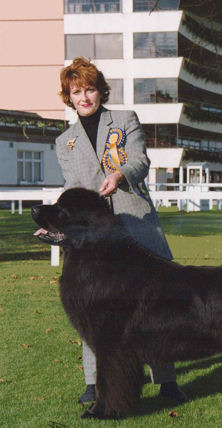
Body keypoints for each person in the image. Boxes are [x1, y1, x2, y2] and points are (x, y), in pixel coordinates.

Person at [55, 57, 187, 404]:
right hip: (94, 240)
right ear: (68, 97)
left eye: (90, 89)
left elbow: (140, 161)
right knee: (92, 303)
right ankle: (93, 382)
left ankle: (167, 382)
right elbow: (73, 188)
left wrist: (120, 175)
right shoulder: (64, 142)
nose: (84, 97)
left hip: (135, 224)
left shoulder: (125, 119)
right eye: (76, 91)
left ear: (100, 91)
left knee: (154, 306)